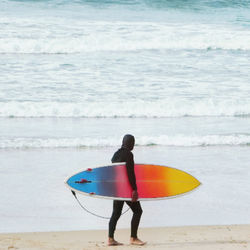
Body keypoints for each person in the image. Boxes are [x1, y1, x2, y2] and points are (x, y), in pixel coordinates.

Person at [108, 134, 146, 246]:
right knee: (138, 211)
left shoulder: (115, 155)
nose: (133, 145)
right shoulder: (129, 155)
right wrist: (134, 189)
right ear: (129, 143)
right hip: (126, 190)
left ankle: (110, 238)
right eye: (133, 143)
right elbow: (130, 173)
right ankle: (133, 238)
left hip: (117, 190)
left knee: (116, 213)